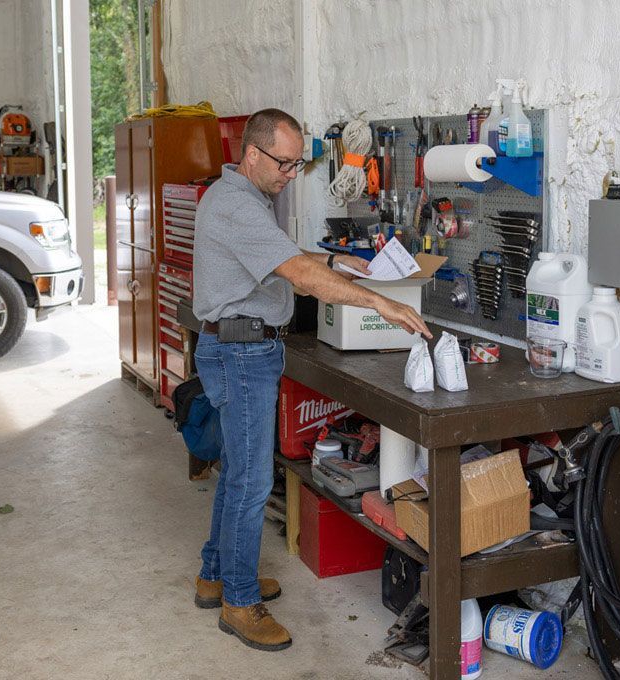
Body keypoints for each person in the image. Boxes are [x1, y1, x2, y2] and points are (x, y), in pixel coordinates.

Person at [191, 108, 431, 652]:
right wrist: (380, 303)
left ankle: (217, 575)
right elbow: (296, 275)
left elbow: (291, 258)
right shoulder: (237, 206)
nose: (291, 174)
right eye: (285, 163)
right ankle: (240, 601)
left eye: (299, 163)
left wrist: (341, 262)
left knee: (237, 474)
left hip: (238, 346)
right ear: (252, 154)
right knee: (251, 483)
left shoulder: (244, 198)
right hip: (241, 353)